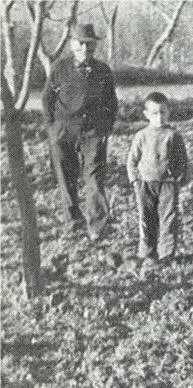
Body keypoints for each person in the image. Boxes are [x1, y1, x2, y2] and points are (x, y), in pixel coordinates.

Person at [42, 23, 118, 240]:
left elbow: (111, 102)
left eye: (90, 44)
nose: (85, 48)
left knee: (94, 178)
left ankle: (97, 226)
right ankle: (73, 221)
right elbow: (47, 98)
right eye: (81, 43)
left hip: (93, 132)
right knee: (66, 177)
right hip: (64, 131)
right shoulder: (60, 68)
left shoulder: (103, 71)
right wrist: (52, 127)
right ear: (72, 44)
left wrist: (106, 128)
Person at [126, 92, 188, 270]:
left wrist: (178, 178)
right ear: (146, 114)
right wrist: (135, 180)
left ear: (168, 112)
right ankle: (147, 253)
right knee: (146, 218)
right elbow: (132, 160)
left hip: (168, 184)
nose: (159, 117)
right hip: (145, 184)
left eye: (162, 112)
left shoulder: (173, 135)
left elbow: (182, 159)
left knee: (168, 218)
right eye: (154, 113)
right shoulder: (141, 136)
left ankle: (166, 254)